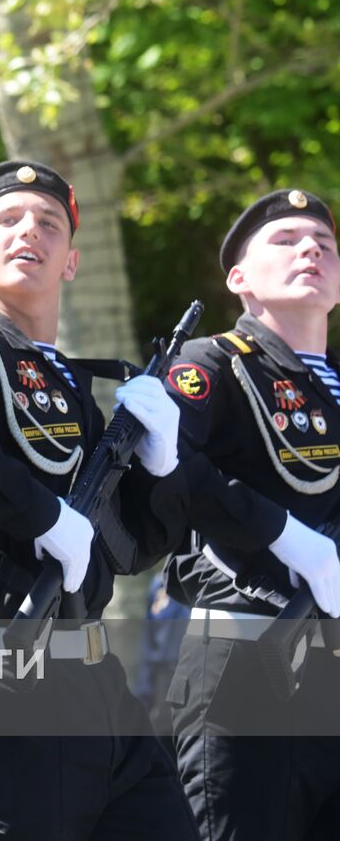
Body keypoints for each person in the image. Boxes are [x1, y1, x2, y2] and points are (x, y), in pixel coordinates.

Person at [0, 160, 198, 840]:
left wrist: (159, 463)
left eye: (49, 225)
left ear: (71, 262)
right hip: (2, 679)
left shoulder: (68, 381)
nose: (28, 233)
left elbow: (126, 546)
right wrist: (45, 519)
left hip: (96, 680)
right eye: (7, 219)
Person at [162, 188, 340, 840]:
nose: (311, 249)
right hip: (248, 661)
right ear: (239, 279)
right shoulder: (210, 364)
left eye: (324, 243)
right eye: (287, 239)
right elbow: (172, 470)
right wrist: (287, 537)